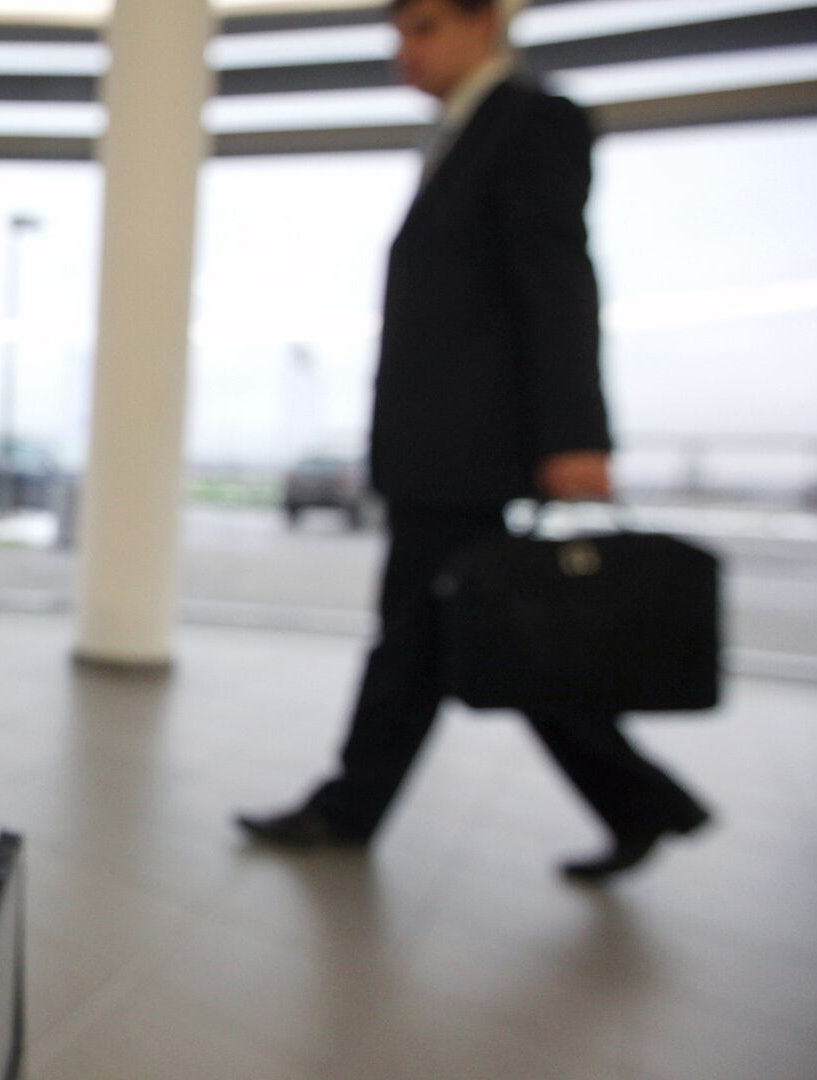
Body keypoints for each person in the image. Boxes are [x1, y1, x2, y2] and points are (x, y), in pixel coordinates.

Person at [235, 0, 708, 881]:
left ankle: (356, 809)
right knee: (453, 637)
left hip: (473, 450)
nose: (404, 50)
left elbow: (557, 277)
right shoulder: (460, 135)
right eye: (398, 32)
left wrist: (575, 435)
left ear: (483, 22)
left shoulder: (533, 122)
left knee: (460, 635)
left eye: (423, 28)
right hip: (443, 446)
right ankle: (633, 802)